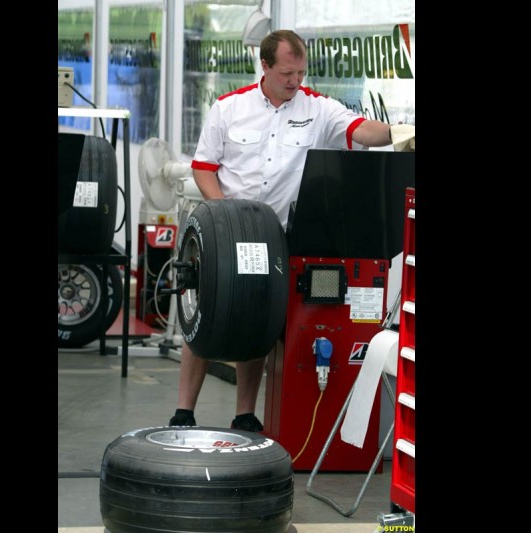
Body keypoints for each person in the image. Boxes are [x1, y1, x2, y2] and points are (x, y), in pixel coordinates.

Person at [169, 29, 394, 432]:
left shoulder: (319, 109)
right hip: (224, 238)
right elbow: (203, 168)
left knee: (257, 320)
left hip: (276, 239)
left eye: (301, 73)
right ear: (266, 66)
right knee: (204, 318)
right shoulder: (228, 108)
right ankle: (184, 411)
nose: (295, 81)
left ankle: (245, 414)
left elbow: (362, 131)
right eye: (288, 73)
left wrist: (401, 133)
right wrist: (226, 221)